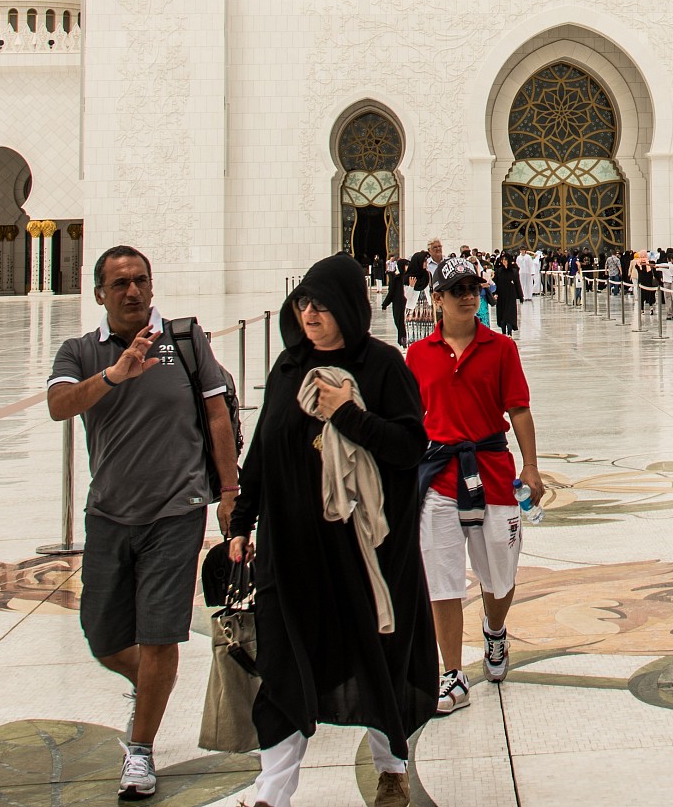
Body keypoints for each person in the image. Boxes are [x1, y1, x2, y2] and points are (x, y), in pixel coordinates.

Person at [226, 256, 435, 807]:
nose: (310, 313)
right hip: (292, 545)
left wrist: (347, 413)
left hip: (365, 550)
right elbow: (263, 453)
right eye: (304, 304)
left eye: (321, 303)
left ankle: (391, 769)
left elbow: (411, 447)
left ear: (347, 306)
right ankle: (271, 792)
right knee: (284, 657)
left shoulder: (382, 366)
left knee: (375, 655)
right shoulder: (288, 368)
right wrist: (243, 522)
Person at [45, 246, 238, 799]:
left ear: (152, 287)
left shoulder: (183, 339)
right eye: (120, 283)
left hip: (177, 511)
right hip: (109, 511)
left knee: (159, 635)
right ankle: (153, 686)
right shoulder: (80, 351)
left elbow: (218, 413)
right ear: (99, 293)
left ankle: (141, 748)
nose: (132, 291)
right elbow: (59, 406)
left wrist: (229, 491)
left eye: (141, 281)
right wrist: (114, 375)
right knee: (102, 636)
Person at [408, 262, 544, 715]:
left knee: (500, 574)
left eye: (472, 288)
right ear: (438, 299)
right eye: (457, 289)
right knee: (442, 578)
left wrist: (531, 467)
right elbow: (408, 421)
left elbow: (519, 410)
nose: (468, 296)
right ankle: (451, 671)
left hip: (492, 472)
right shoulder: (417, 354)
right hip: (440, 476)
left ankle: (495, 631)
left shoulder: (501, 348)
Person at [492, 249, 522, 336]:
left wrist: (520, 296)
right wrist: (495, 293)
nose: (504, 262)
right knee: (502, 315)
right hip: (501, 296)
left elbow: (517, 284)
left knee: (509, 314)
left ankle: (509, 333)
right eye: (502, 260)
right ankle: (503, 333)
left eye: (505, 260)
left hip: (510, 295)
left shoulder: (514, 271)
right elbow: (495, 283)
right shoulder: (499, 271)